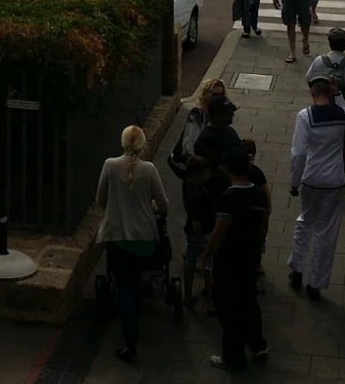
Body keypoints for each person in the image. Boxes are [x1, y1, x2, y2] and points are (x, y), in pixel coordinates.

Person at [96, 125, 169, 362]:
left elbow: (101, 200)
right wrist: (150, 206)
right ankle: (136, 313)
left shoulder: (110, 165)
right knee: (135, 280)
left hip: (119, 238)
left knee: (124, 287)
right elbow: (164, 205)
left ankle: (130, 339)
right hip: (145, 239)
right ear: (142, 144)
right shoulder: (149, 169)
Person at [200, 149, 269, 369]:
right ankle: (257, 345)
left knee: (227, 305)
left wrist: (205, 258)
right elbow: (263, 225)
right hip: (250, 256)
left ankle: (233, 356)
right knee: (249, 300)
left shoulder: (228, 198)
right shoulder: (258, 194)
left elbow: (219, 232)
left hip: (230, 259)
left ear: (226, 168)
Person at [288, 77, 345, 300]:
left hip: (311, 178)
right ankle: (316, 283)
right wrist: (339, 94)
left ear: (312, 93)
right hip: (334, 181)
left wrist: (294, 182)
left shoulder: (305, 116)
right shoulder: (343, 115)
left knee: (305, 221)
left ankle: (297, 268)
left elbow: (298, 153)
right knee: (326, 232)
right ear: (329, 91)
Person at [172, 154, 215, 309]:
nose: (209, 176)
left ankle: (188, 295)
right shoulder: (198, 196)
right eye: (206, 173)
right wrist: (200, 240)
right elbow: (197, 220)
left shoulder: (188, 183)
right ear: (197, 175)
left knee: (190, 263)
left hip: (190, 231)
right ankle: (209, 300)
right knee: (208, 266)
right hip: (203, 234)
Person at [172, 77, 231, 164]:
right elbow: (190, 144)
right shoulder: (197, 113)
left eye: (221, 95)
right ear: (206, 96)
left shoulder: (219, 113)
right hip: (192, 162)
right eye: (214, 95)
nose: (218, 98)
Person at [241, 138, 272, 281]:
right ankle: (257, 265)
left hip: (252, 213)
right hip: (256, 213)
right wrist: (267, 212)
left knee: (256, 241)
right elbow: (266, 194)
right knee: (258, 241)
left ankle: (255, 265)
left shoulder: (251, 172)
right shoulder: (257, 172)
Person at [193, 96, 242, 172]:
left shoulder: (229, 130)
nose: (232, 114)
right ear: (216, 115)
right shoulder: (206, 140)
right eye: (228, 113)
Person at [306, 26, 345, 105]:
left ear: (330, 43)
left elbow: (309, 79)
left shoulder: (319, 60)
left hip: (323, 103)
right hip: (344, 104)